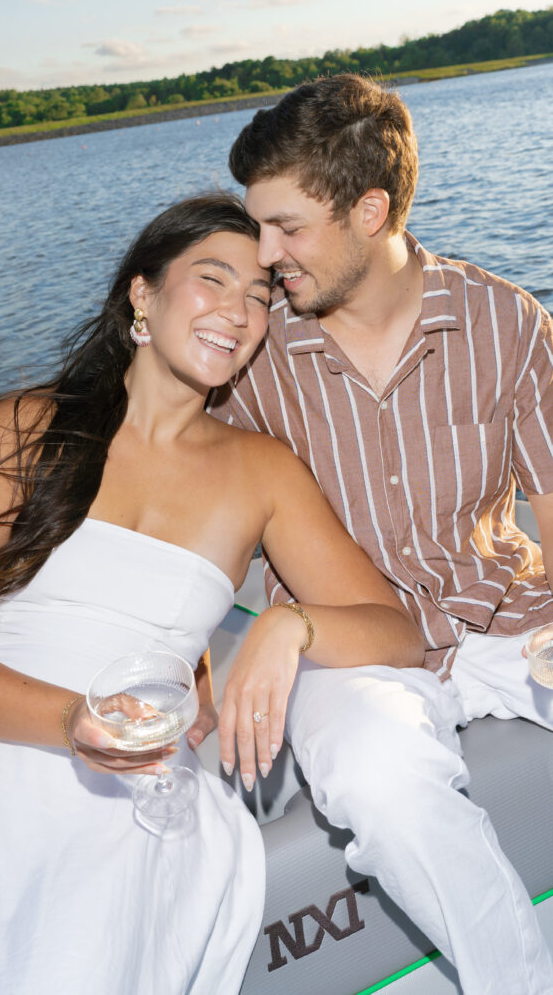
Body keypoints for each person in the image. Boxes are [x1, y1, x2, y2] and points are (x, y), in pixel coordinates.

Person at [0, 192, 423, 995]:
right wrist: (70, 722)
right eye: (211, 280)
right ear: (143, 293)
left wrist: (287, 626)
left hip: (132, 779)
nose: (236, 313)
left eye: (258, 298)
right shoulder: (22, 428)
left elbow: (393, 631)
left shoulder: (262, 471)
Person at [210, 74, 553, 993]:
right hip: (345, 649)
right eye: (257, 226)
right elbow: (182, 496)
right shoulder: (248, 349)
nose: (264, 253)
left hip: (508, 618)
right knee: (378, 778)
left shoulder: (506, 321)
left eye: (287, 227)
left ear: (369, 210)